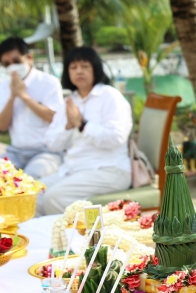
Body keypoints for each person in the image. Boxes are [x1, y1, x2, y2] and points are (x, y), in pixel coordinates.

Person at [36, 47, 133, 216]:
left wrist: (82, 125)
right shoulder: (70, 101)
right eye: (73, 67)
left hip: (109, 170)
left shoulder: (110, 96)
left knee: (54, 198)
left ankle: (80, 239)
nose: (79, 71)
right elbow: (52, 143)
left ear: (95, 68)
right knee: (33, 194)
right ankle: (47, 239)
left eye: (85, 66)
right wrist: (68, 126)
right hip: (74, 169)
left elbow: (116, 138)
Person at [0, 37, 64, 178]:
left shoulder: (49, 82)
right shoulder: (3, 87)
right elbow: (1, 125)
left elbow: (54, 118)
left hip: (47, 152)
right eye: (7, 64)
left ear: (29, 58)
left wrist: (24, 96)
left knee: (31, 177)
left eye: (16, 61)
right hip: (15, 152)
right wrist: (13, 96)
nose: (12, 67)